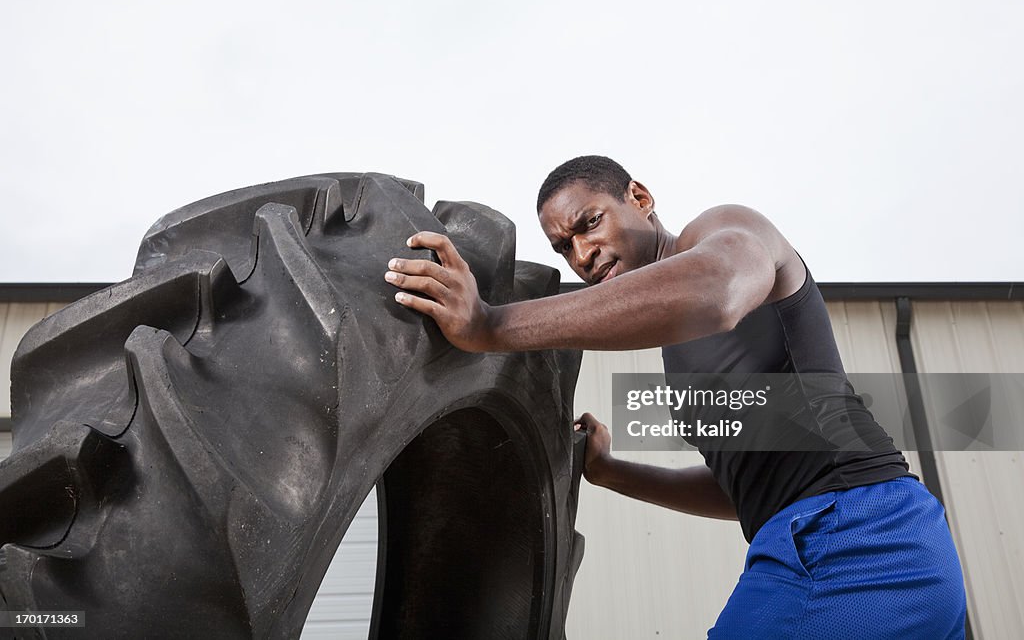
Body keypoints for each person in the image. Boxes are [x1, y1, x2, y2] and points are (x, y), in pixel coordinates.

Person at [383, 155, 968, 639]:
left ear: (639, 197)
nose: (581, 255)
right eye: (564, 247)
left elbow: (716, 290)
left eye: (589, 223)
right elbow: (748, 488)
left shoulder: (722, 232)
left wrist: (489, 326)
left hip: (856, 541)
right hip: (864, 539)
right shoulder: (681, 353)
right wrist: (615, 473)